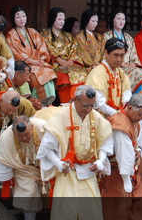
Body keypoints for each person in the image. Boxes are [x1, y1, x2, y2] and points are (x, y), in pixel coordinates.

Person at [36, 85, 113, 219]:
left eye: (92, 106)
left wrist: (100, 160)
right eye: (85, 105)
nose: (88, 109)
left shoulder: (94, 115)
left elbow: (105, 140)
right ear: (75, 100)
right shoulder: (61, 115)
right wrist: (59, 164)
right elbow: (46, 148)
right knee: (65, 211)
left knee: (91, 212)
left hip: (88, 171)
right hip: (67, 172)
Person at [0, 115, 47, 220]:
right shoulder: (6, 137)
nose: (24, 138)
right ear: (14, 131)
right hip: (24, 169)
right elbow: (2, 161)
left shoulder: (43, 127)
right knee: (28, 192)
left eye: (27, 134)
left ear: (31, 126)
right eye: (20, 135)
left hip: (47, 167)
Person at [102, 94, 142, 220]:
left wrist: (139, 151)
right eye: (140, 114)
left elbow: (137, 142)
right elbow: (123, 154)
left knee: (141, 203)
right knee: (118, 210)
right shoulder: (120, 125)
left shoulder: (133, 120)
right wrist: (126, 180)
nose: (141, 118)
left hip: (132, 171)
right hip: (118, 173)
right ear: (129, 108)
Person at [6, 6, 57, 106]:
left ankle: (48, 103)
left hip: (38, 62)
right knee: (37, 74)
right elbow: (17, 52)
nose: (22, 19)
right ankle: (37, 103)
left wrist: (41, 60)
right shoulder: (11, 35)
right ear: (13, 18)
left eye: (23, 16)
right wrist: (31, 61)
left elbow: (42, 47)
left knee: (48, 71)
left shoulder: (33, 31)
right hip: (25, 64)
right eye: (18, 17)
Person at [40, 7, 87, 100]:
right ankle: (65, 101)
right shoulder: (45, 34)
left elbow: (74, 49)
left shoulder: (68, 36)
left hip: (69, 64)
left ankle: (76, 100)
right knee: (64, 76)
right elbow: (47, 48)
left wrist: (70, 60)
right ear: (53, 19)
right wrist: (58, 59)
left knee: (81, 72)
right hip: (54, 64)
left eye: (63, 20)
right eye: (59, 19)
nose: (62, 22)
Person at [102, 9, 142, 93]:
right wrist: (121, 63)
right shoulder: (106, 36)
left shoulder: (128, 37)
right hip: (115, 66)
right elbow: (105, 55)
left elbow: (134, 54)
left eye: (123, 19)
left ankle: (140, 98)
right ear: (113, 20)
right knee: (140, 74)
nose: (121, 21)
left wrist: (133, 63)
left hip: (129, 67)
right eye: (118, 18)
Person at [85, 38, 132, 117]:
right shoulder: (97, 73)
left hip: (117, 115)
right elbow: (98, 103)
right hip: (99, 118)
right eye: (116, 55)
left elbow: (127, 92)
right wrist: (116, 114)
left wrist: (124, 106)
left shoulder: (121, 73)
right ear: (106, 53)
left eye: (122, 56)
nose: (119, 59)